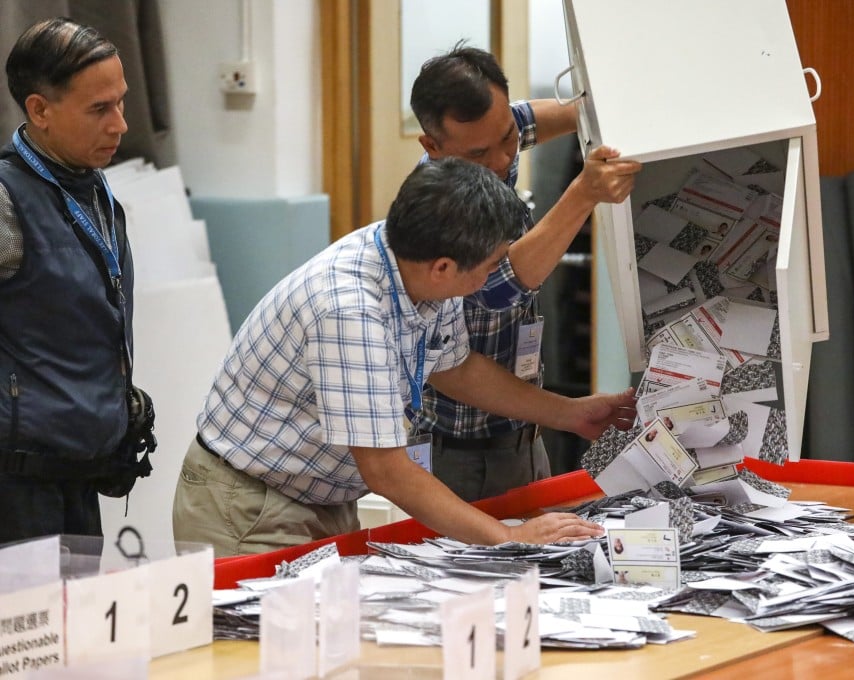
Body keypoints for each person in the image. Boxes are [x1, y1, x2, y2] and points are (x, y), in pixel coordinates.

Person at [172, 158, 636, 557]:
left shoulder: (418, 265)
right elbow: (387, 471)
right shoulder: (350, 311)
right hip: (250, 505)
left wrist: (571, 414)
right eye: (494, 263)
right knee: (267, 654)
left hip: (320, 496)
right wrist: (511, 536)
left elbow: (455, 367)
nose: (497, 273)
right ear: (444, 267)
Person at [409, 43, 642, 502]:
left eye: (508, 140)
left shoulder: (489, 139)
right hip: (457, 457)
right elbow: (497, 288)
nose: (500, 161)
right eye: (480, 153)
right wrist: (583, 195)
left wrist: (599, 105)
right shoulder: (433, 208)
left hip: (525, 439)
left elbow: (536, 118)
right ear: (433, 147)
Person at [0, 18, 148, 543]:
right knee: (29, 627)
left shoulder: (94, 189)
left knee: (80, 623)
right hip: (18, 485)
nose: (120, 125)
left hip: (82, 470)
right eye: (99, 109)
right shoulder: (5, 199)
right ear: (39, 110)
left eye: (122, 103)